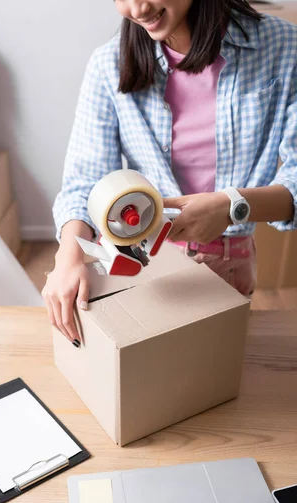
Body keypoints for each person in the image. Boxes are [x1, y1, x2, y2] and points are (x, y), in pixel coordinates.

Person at [42, 0, 297, 345]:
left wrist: (231, 205)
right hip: (145, 260)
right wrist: (68, 256)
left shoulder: (283, 46)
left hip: (229, 259)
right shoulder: (108, 64)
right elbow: (84, 180)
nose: (137, 8)